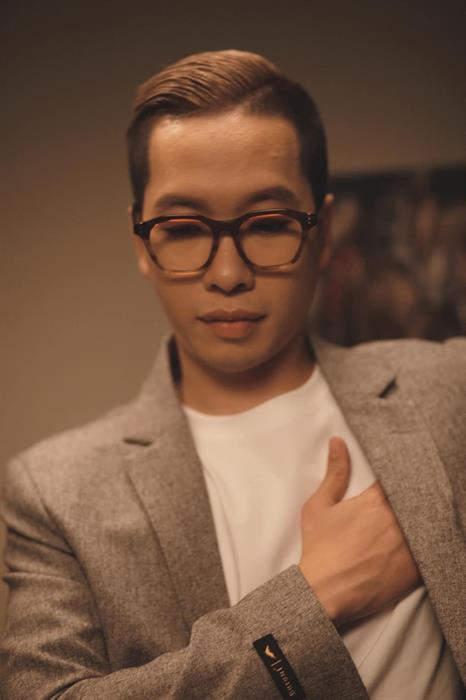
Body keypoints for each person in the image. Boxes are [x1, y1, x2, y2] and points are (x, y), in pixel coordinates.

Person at [1, 49, 465, 699]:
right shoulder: (54, 492)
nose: (228, 274)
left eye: (269, 223)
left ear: (324, 231)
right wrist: (312, 600)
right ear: (142, 244)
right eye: (183, 228)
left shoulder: (451, 391)